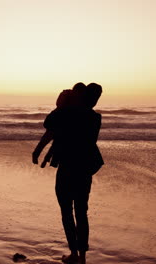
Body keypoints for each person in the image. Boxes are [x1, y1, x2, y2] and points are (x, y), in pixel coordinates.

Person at [32, 82, 104, 264]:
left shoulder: (66, 114)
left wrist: (61, 106)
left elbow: (48, 125)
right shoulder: (94, 118)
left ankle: (74, 254)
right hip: (85, 169)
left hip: (68, 168)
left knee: (67, 211)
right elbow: (56, 131)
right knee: (81, 212)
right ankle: (82, 257)